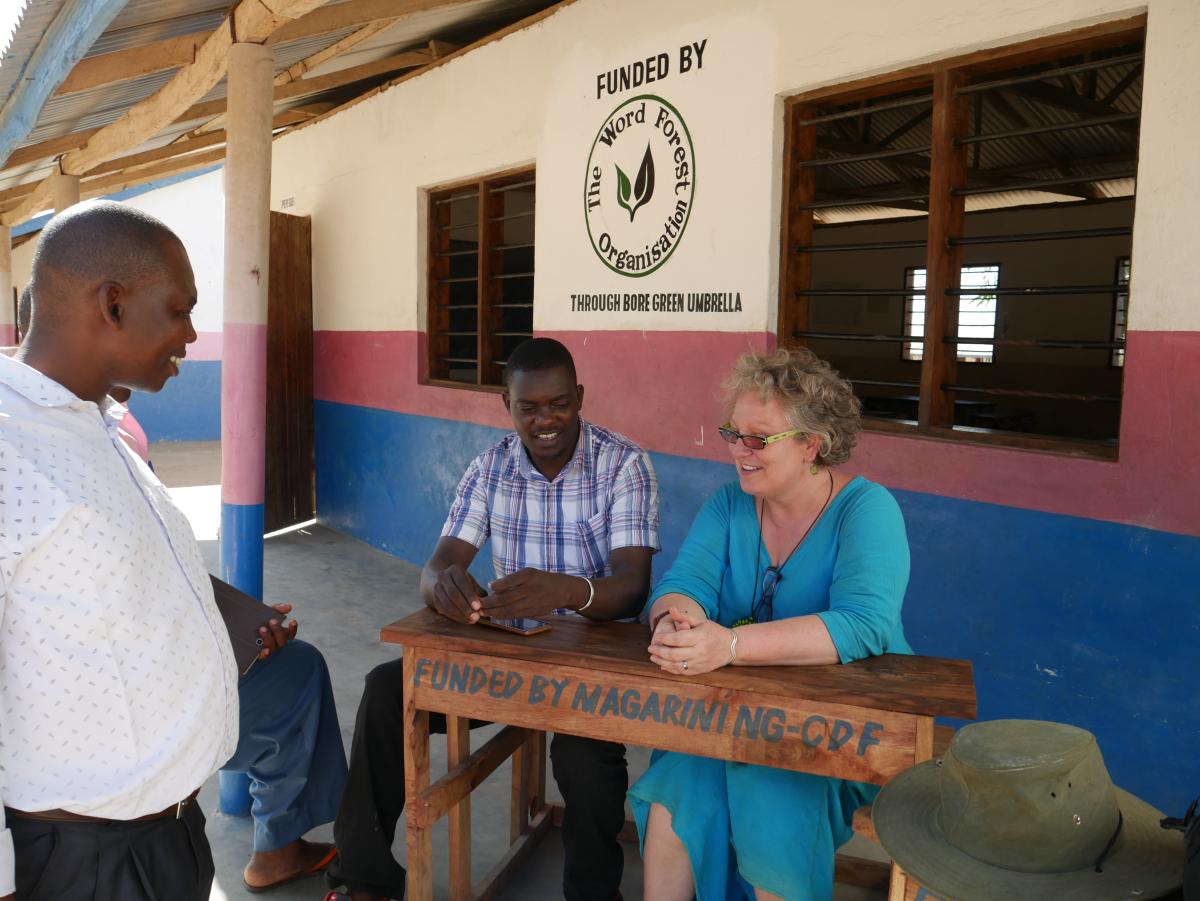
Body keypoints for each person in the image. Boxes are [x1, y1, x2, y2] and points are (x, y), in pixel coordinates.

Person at [0, 200, 343, 900]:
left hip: (168, 832)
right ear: (114, 304)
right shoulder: (11, 444)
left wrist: (226, 625)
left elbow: (118, 573)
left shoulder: (103, 424)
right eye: (180, 309)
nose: (191, 333)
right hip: (84, 858)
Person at [325, 337, 660, 901]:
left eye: (559, 404)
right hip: (510, 657)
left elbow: (632, 589)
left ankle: (592, 895)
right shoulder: (490, 469)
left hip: (591, 663)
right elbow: (438, 565)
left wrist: (568, 592)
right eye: (529, 408)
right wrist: (444, 588)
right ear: (507, 406)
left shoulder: (623, 464)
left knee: (584, 761)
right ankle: (362, 880)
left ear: (580, 397)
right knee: (387, 692)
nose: (546, 419)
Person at [630, 346, 911, 901]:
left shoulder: (867, 510)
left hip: (836, 730)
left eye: (758, 439)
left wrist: (728, 645)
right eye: (733, 433)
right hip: (726, 717)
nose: (739, 450)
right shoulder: (730, 503)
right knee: (678, 793)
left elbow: (864, 624)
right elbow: (681, 583)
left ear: (813, 444)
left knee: (771, 794)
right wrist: (676, 621)